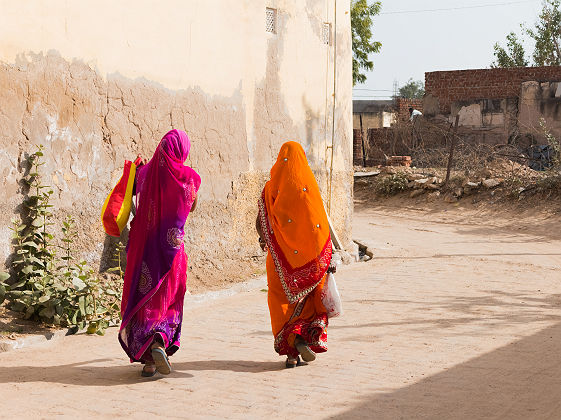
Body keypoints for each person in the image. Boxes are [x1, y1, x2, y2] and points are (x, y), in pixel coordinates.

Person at [118, 129, 201, 377]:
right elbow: (192, 206)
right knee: (169, 298)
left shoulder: (143, 174)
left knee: (146, 299)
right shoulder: (189, 178)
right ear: (183, 151)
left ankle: (149, 360)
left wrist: (138, 169)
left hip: (144, 250)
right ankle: (160, 340)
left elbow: (130, 194)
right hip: (172, 254)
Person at [256, 141, 335, 368]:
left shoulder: (270, 188)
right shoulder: (309, 185)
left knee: (281, 299)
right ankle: (303, 337)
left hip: (278, 259)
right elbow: (319, 222)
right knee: (307, 297)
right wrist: (327, 255)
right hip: (309, 259)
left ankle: (291, 352)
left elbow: (259, 222)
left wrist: (266, 240)